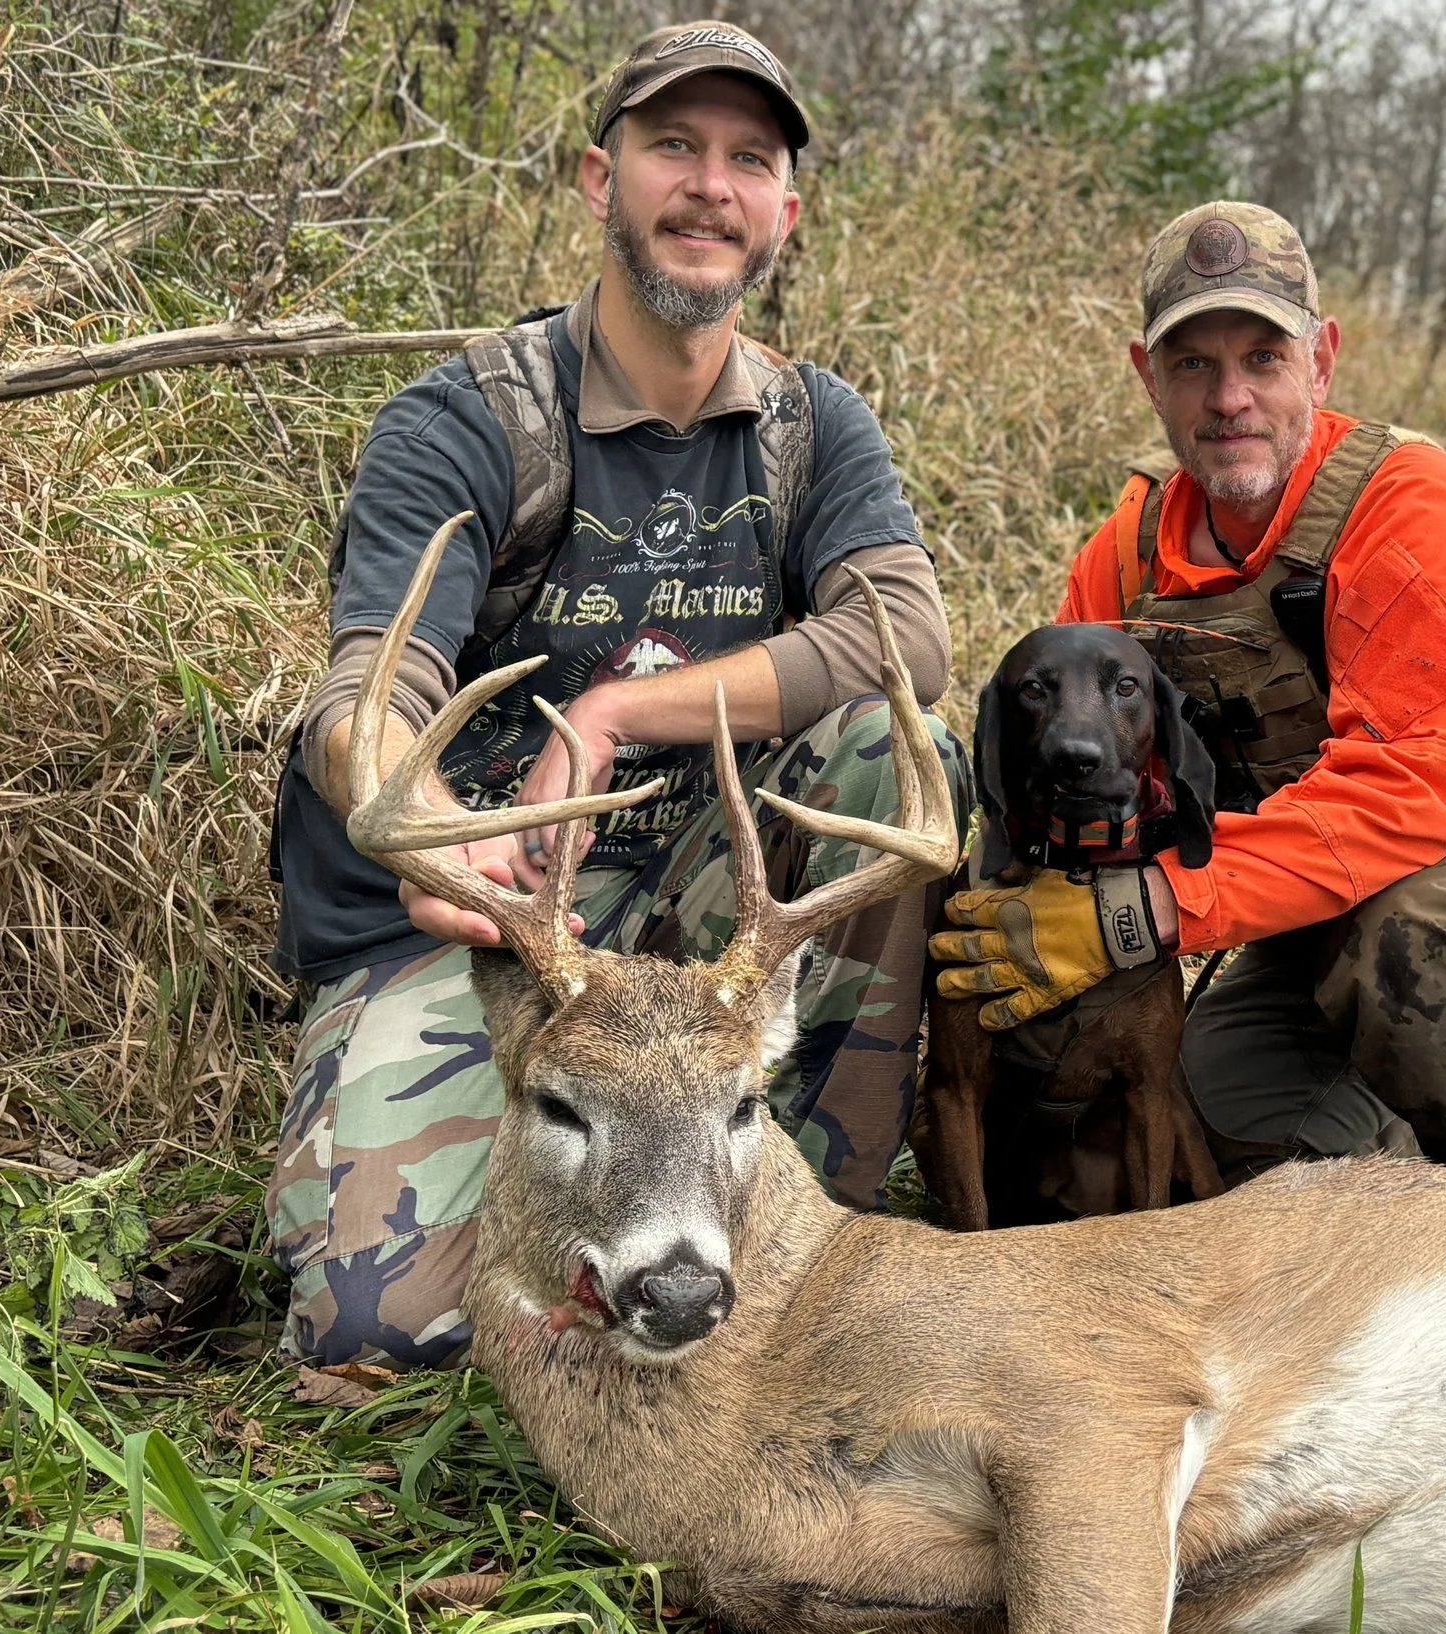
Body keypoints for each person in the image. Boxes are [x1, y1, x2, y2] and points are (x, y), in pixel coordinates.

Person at [266, 21, 965, 1368]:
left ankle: (804, 1211)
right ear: (601, 179)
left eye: (746, 159)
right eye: (673, 148)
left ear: (783, 213)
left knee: (894, 745)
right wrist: (427, 819)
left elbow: (906, 630)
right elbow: (371, 685)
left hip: (703, 919)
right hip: (487, 933)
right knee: (375, 1329)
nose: (709, 186)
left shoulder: (811, 424)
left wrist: (607, 716)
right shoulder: (470, 421)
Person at [931, 202, 1446, 1191]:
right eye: (1194, 365)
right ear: (1148, 378)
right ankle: (1403, 1172)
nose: (1230, 397)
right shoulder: (1125, 556)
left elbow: (1410, 798)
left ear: (1321, 361)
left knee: (1410, 949)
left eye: (1263, 358)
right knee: (1177, 1147)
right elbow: (1075, 786)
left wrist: (1141, 913)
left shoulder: (1405, 505)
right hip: (1303, 917)